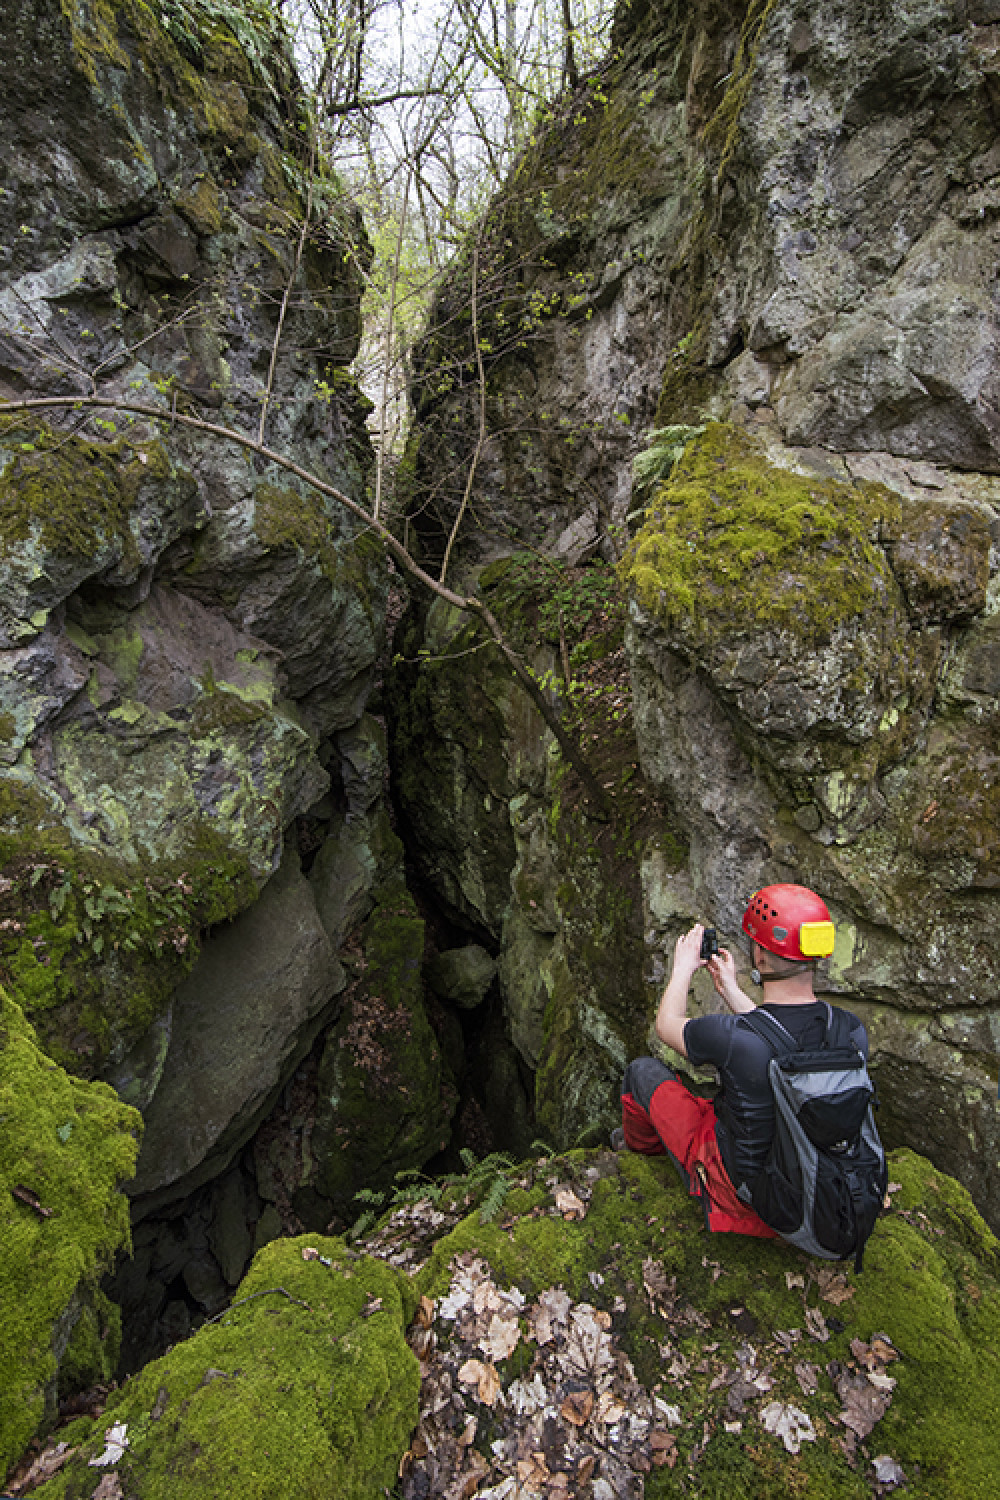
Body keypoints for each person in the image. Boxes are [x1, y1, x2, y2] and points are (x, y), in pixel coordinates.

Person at [619, 884, 869, 1239]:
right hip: (819, 1189)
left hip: (746, 1197)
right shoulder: (850, 1031)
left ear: (761, 957)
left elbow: (666, 1025)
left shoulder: (732, 1036)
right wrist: (733, 993)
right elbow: (790, 1055)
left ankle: (641, 1155)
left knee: (641, 1072)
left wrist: (682, 968)